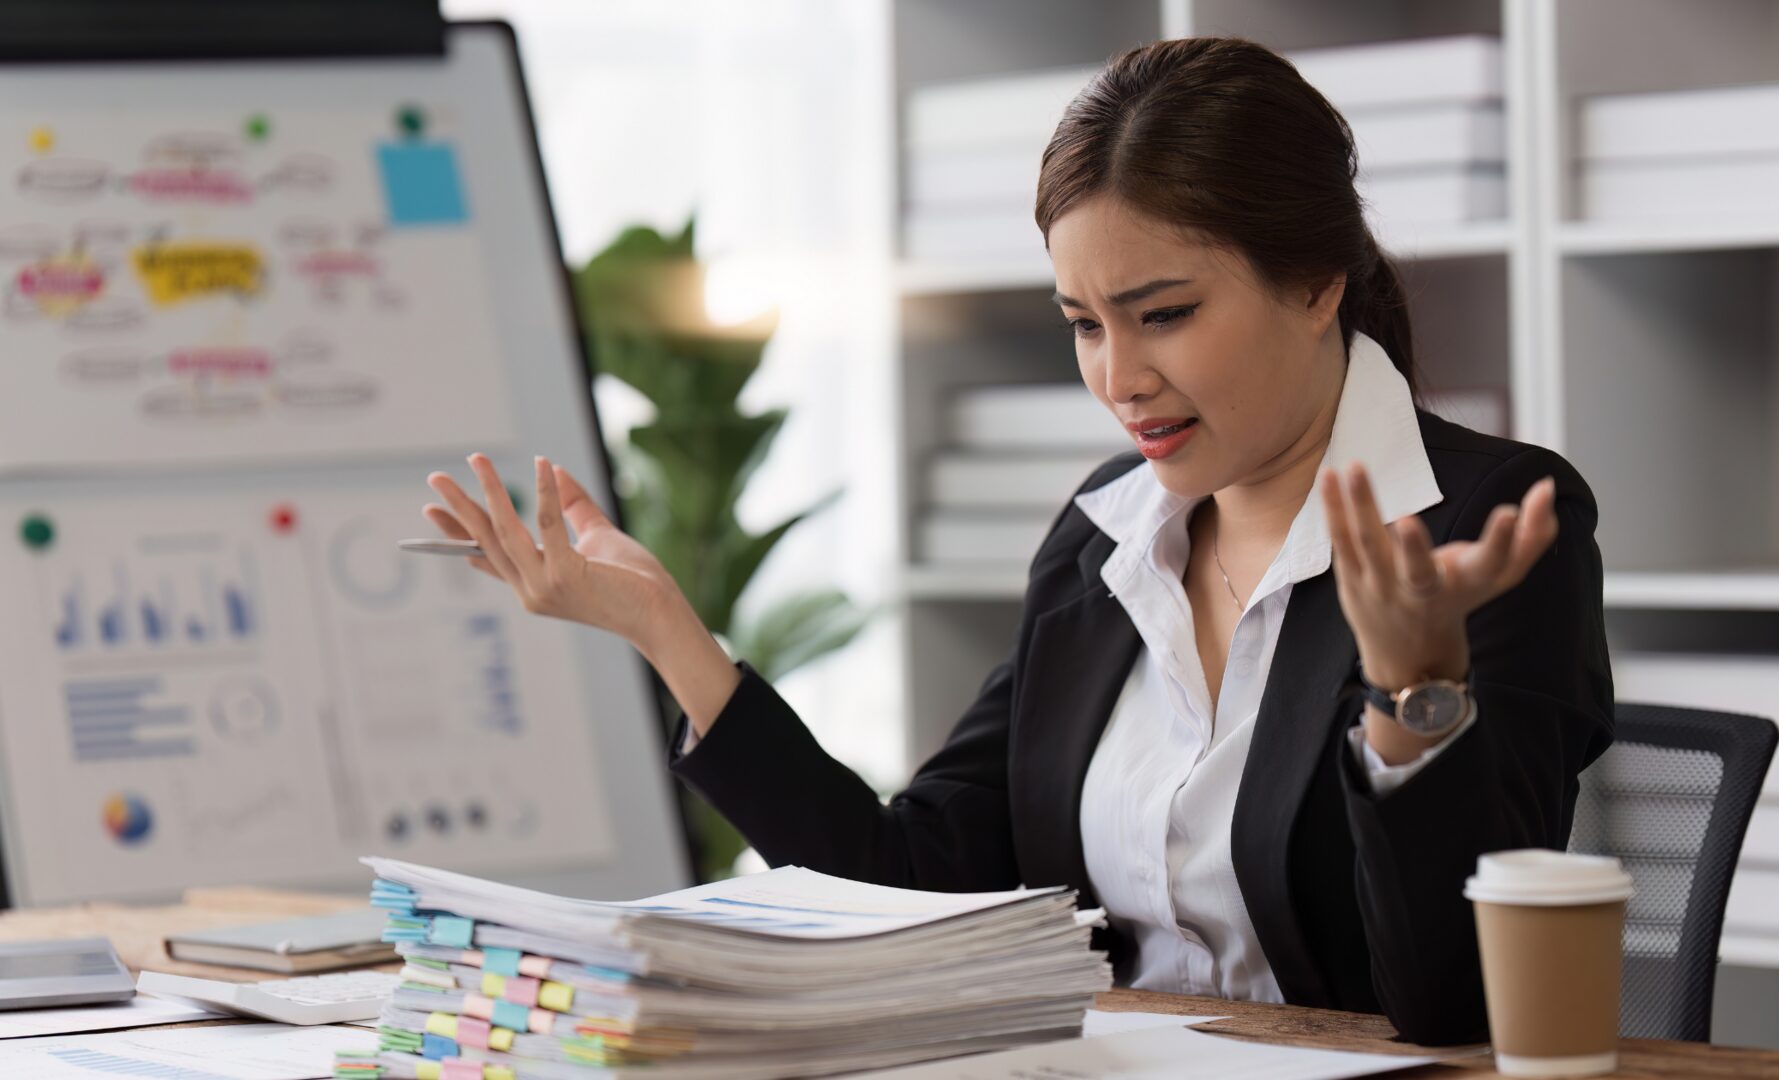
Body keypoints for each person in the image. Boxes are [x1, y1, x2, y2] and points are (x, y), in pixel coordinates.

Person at [421, 36, 1612, 1046]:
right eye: (1084, 324)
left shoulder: (1487, 525)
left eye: (1165, 315)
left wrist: (1415, 695)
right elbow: (915, 880)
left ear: (1315, 284)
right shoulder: (1110, 536)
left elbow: (1458, 1006)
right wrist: (669, 635)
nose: (1119, 378)